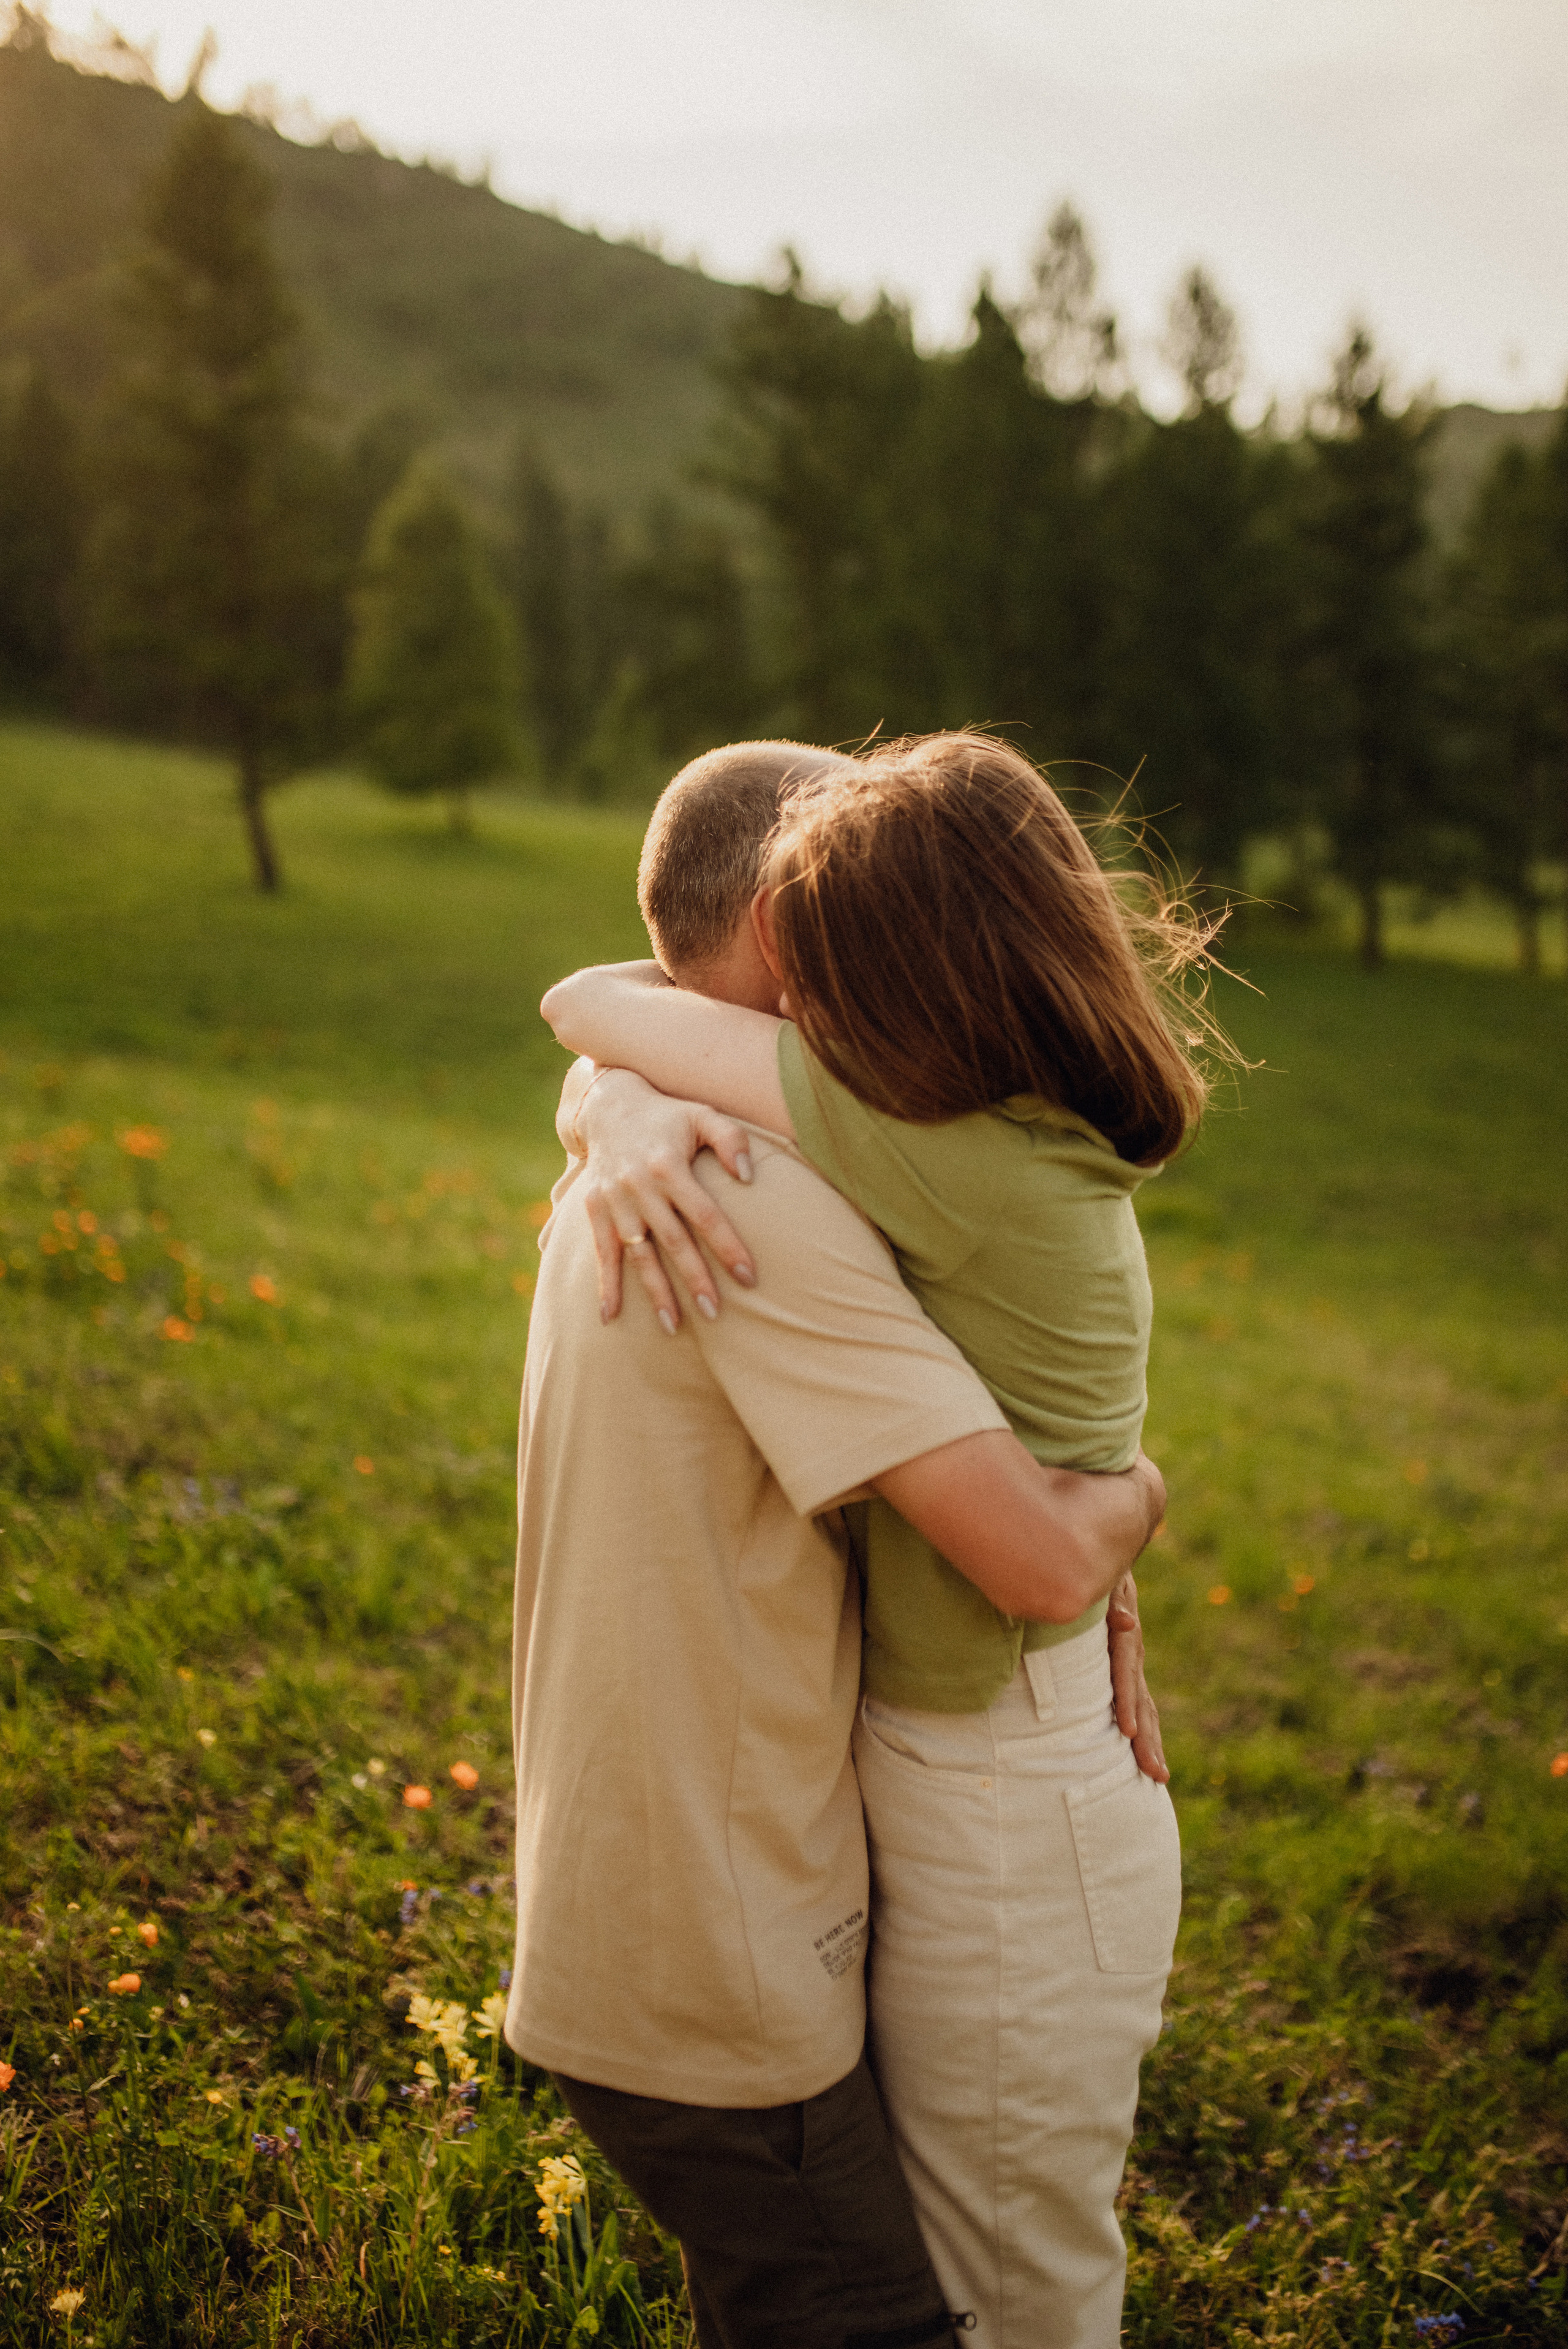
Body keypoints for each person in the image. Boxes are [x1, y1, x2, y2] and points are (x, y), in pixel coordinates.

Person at [542, 731, 1215, 2348]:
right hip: (920, 1801)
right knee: (972, 2283)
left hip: (997, 1786)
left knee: (1008, 2294)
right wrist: (1135, 1500)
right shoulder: (854, 1163)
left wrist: (610, 1083)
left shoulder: (848, 1163)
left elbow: (593, 1001)